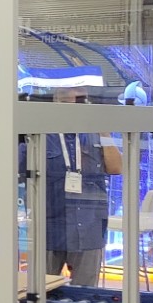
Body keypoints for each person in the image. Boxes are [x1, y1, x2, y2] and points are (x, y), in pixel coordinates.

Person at [41, 87, 110, 287]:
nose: (73, 106)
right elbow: (18, 170)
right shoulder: (42, 135)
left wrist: (104, 133)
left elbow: (116, 167)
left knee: (85, 292)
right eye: (67, 101)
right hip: (51, 227)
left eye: (79, 101)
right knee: (41, 290)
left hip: (89, 228)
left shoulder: (95, 135)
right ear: (56, 103)